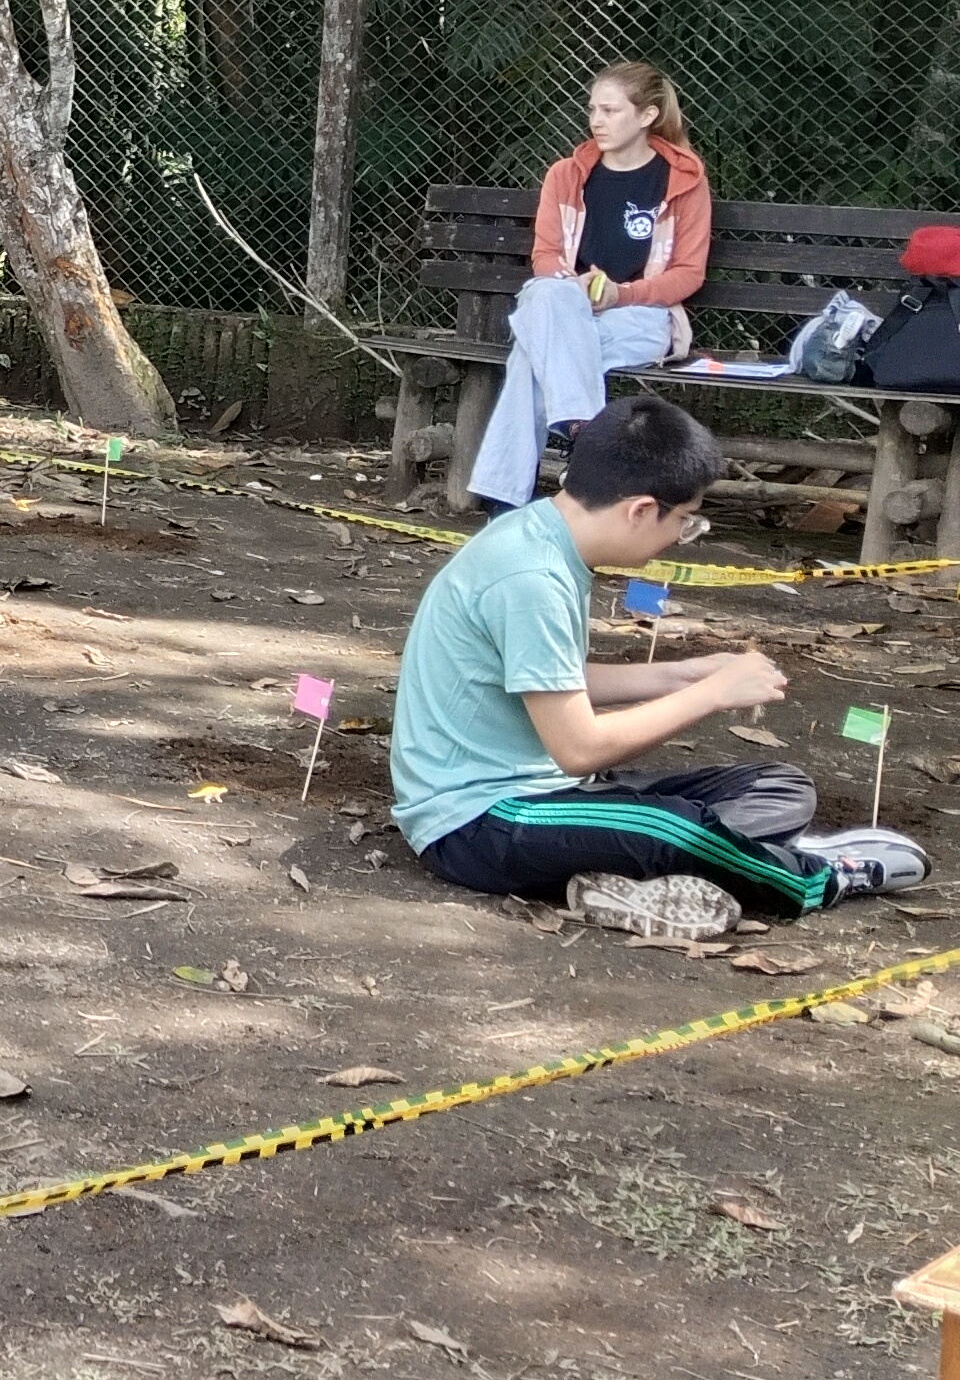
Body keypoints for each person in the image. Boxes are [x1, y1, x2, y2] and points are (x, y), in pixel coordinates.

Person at [394, 397, 923, 938]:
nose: (682, 535)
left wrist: (687, 672)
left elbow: (554, 679)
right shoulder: (530, 577)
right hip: (480, 821)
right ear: (642, 509)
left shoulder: (543, 535)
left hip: (550, 792)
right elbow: (580, 748)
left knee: (781, 787)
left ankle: (713, 860)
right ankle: (818, 878)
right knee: (668, 827)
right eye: (685, 519)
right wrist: (710, 695)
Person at [464, 61, 711, 511]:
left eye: (610, 110)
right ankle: (582, 426)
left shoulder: (683, 179)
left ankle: (504, 501)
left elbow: (688, 274)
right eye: (593, 108)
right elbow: (545, 256)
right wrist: (574, 288)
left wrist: (622, 294)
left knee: (531, 353)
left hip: (642, 316)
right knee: (547, 293)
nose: (595, 120)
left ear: (647, 116)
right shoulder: (566, 173)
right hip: (565, 306)